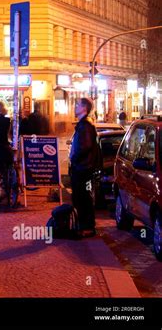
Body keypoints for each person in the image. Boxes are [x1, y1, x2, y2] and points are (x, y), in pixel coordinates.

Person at [69, 98, 101, 238]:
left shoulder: (86, 126)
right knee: (80, 198)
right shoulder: (83, 125)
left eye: (77, 105)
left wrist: (74, 159)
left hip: (83, 169)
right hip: (82, 168)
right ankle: (83, 225)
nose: (75, 107)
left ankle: (87, 227)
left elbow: (85, 146)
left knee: (84, 198)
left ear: (84, 108)